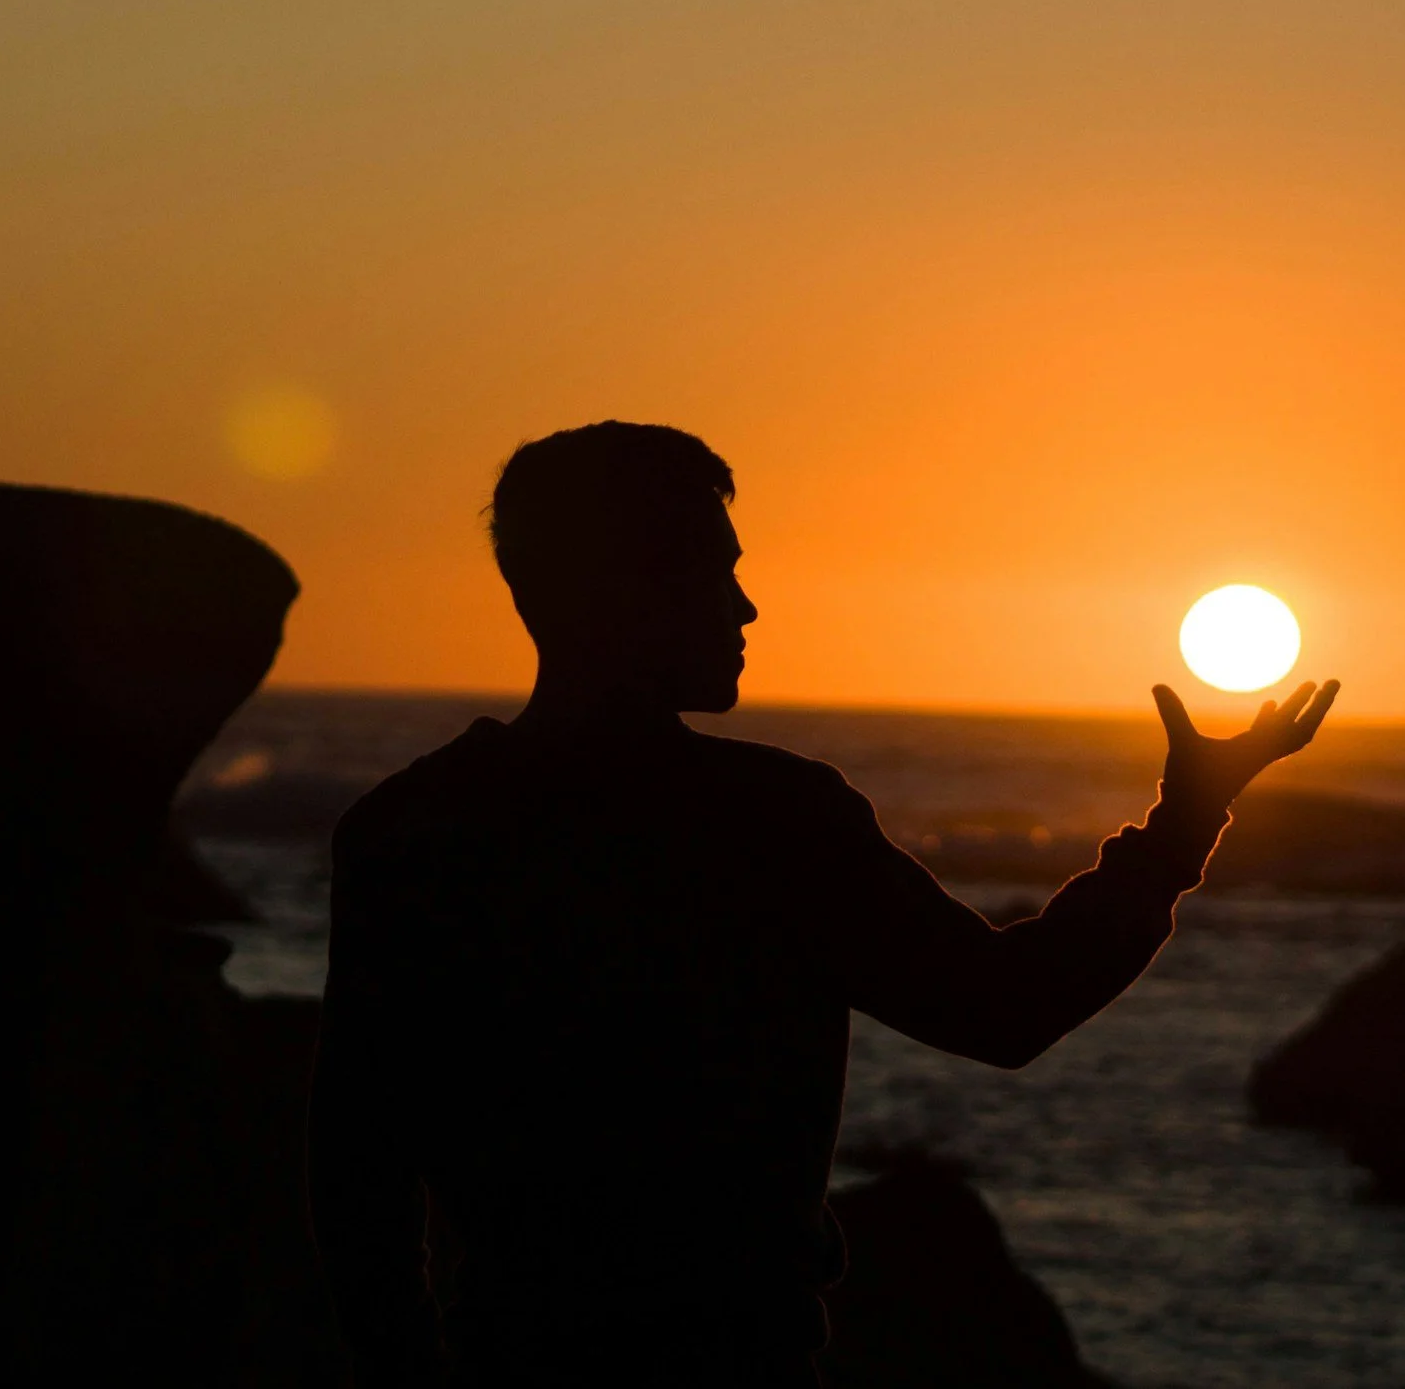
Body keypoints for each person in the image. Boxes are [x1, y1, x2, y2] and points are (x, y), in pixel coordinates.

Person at [308, 420, 1337, 1386]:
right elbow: (1003, 1008)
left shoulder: (408, 826)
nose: (744, 607)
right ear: (630, 590)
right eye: (718, 571)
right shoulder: (766, 819)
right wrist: (1186, 822)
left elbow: (358, 1163)